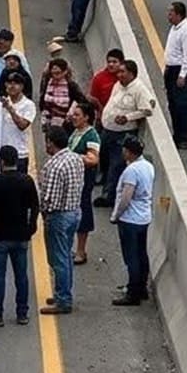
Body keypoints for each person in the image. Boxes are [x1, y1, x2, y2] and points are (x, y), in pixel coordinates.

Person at [0, 145, 39, 327]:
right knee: (21, 276)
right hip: (20, 236)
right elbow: (34, 207)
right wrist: (31, 228)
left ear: (2, 161)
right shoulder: (27, 181)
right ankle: (22, 313)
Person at [37, 126, 83, 315]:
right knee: (66, 255)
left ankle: (63, 299)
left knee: (58, 259)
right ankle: (63, 293)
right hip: (74, 211)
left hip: (59, 216)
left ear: (50, 142)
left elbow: (50, 199)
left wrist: (43, 213)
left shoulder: (54, 166)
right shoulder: (76, 159)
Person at [99, 60, 156, 204]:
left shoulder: (138, 89)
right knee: (104, 158)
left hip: (122, 133)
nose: (119, 75)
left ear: (131, 74)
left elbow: (147, 109)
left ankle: (109, 196)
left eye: (122, 72)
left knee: (117, 164)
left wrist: (127, 117)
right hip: (108, 129)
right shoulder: (118, 85)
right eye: (119, 72)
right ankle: (105, 184)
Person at [111, 136, 156, 305]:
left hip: (130, 219)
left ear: (129, 152)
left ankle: (133, 293)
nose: (123, 151)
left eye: (124, 149)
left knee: (131, 257)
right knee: (141, 254)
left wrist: (116, 215)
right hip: (144, 217)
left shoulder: (131, 171)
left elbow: (126, 197)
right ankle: (142, 287)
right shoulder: (148, 166)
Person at [67, 99, 102, 266]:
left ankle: (81, 250)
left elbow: (93, 159)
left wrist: (72, 157)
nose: (73, 117)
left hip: (84, 182)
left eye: (77, 115)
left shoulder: (91, 135)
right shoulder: (76, 132)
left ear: (86, 117)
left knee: (83, 212)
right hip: (73, 180)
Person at [162, 0, 187, 150]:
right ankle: (176, 135)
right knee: (173, 105)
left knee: (182, 105)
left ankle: (184, 138)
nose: (168, 16)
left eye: (171, 13)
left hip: (180, 71)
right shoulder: (174, 28)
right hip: (171, 70)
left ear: (179, 15)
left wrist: (182, 75)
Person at [0, 71, 37, 172]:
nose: (12, 86)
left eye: (16, 83)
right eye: (9, 83)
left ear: (22, 86)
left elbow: (22, 125)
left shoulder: (28, 105)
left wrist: (10, 109)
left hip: (19, 154)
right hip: (3, 152)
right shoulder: (1, 102)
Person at [37, 56, 83, 130]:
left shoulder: (71, 85)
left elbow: (81, 101)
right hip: (49, 122)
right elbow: (42, 101)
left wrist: (71, 112)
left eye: (58, 73)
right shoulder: (48, 84)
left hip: (67, 123)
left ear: (65, 72)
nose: (55, 76)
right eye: (53, 73)